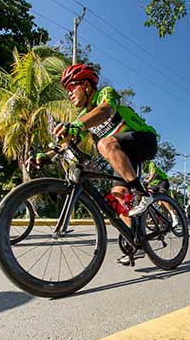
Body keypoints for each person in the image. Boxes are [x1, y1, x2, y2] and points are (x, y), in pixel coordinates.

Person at [36, 64, 158, 264]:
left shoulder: (105, 94)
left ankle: (142, 194)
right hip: (124, 155)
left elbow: (105, 110)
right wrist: (47, 155)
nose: (69, 94)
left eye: (71, 87)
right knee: (119, 194)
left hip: (143, 140)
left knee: (104, 142)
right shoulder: (83, 117)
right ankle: (135, 240)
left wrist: (78, 125)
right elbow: (69, 141)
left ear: (85, 85)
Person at [142, 160, 178, 227]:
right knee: (147, 197)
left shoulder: (150, 163)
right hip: (154, 185)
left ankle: (173, 215)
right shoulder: (141, 169)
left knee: (162, 198)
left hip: (162, 181)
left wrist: (148, 181)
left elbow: (152, 174)